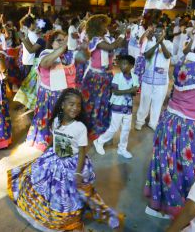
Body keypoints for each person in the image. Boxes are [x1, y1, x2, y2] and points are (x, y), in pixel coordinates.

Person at [8, 88, 122, 231]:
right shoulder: (56, 121)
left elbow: (81, 152)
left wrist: (78, 173)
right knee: (52, 190)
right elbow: (54, 139)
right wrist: (45, 153)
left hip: (73, 165)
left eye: (78, 105)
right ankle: (58, 214)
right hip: (54, 159)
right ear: (62, 105)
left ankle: (107, 215)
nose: (75, 108)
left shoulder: (80, 128)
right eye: (71, 104)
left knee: (82, 194)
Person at [144, 26, 195, 219]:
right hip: (187, 127)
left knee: (167, 164)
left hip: (170, 122)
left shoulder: (184, 64)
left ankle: (158, 204)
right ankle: (175, 207)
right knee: (184, 168)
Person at [25, 30, 79, 151]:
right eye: (59, 40)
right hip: (50, 96)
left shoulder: (69, 55)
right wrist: (64, 46)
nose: (62, 42)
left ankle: (65, 144)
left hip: (67, 96)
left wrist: (83, 44)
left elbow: (84, 57)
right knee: (51, 122)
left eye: (64, 39)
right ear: (51, 42)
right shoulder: (46, 53)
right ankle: (49, 144)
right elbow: (45, 64)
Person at [80, 14, 126, 140]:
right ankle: (92, 129)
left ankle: (101, 128)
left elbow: (117, 46)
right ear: (97, 26)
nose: (107, 26)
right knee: (94, 103)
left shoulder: (106, 39)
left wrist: (122, 34)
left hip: (107, 76)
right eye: (104, 24)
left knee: (104, 103)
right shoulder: (95, 40)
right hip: (96, 77)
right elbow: (112, 47)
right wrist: (122, 34)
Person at [93, 55, 139, 158]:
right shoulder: (117, 76)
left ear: (131, 66)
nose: (122, 66)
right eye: (121, 63)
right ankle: (99, 141)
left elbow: (134, 92)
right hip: (117, 106)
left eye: (125, 64)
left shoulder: (135, 77)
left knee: (126, 129)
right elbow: (115, 92)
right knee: (114, 128)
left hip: (128, 107)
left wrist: (134, 92)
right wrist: (129, 90)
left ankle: (122, 149)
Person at [135, 24, 172, 131]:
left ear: (164, 32)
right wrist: (156, 44)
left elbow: (167, 55)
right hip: (147, 78)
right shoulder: (149, 42)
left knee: (158, 102)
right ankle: (140, 121)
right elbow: (147, 55)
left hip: (161, 80)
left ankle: (153, 122)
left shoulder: (169, 43)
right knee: (144, 100)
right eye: (156, 31)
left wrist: (161, 44)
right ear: (154, 33)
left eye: (161, 32)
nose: (158, 33)